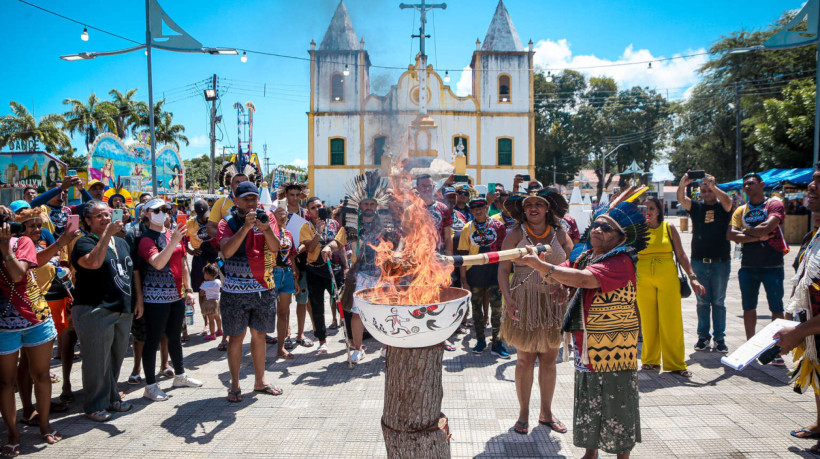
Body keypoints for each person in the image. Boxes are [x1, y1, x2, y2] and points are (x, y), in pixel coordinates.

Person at [521, 190, 650, 459]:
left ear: (621, 238)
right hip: (588, 344)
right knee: (589, 400)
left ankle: (621, 457)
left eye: (608, 228)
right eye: (598, 225)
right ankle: (590, 454)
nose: (599, 230)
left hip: (614, 348)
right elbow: (566, 274)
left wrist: (542, 267)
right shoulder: (588, 255)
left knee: (617, 403)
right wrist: (548, 271)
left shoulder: (621, 260)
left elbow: (583, 280)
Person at [498, 188, 573, 435]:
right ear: (523, 209)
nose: (533, 208)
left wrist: (565, 286)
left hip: (554, 303)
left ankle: (547, 413)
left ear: (547, 208)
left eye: (538, 204)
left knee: (549, 360)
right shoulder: (515, 234)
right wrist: (508, 299)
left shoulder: (561, 233)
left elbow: (574, 264)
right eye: (528, 204)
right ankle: (523, 414)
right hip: (523, 301)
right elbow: (502, 269)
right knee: (524, 359)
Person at [0, 205, 62, 457]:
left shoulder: (22, 241)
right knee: (5, 382)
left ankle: (45, 425)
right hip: (3, 325)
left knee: (42, 375)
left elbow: (17, 275)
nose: (5, 226)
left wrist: (5, 249)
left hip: (35, 317)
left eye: (7, 221)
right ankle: (13, 434)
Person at [217, 181, 281, 402]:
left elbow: (276, 248)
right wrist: (245, 227)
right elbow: (226, 251)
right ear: (236, 200)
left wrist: (265, 229)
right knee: (236, 338)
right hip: (234, 291)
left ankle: (260, 380)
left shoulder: (267, 218)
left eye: (254, 198)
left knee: (260, 335)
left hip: (264, 287)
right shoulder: (227, 222)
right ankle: (234, 385)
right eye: (246, 199)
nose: (251, 202)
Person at [70, 200, 133, 422]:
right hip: (94, 309)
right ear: (87, 221)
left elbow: (128, 273)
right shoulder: (84, 242)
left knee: (115, 359)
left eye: (107, 214)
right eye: (98, 216)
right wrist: (107, 234)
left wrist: (136, 302)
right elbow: (94, 262)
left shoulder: (121, 242)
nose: (105, 218)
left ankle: (112, 396)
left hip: (121, 308)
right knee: (97, 361)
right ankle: (95, 404)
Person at [138, 199, 202, 401]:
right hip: (155, 297)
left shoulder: (172, 234)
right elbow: (157, 263)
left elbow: (183, 262)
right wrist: (174, 240)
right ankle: (150, 385)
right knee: (153, 340)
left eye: (165, 209)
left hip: (176, 294)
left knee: (175, 335)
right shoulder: (146, 238)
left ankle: (180, 375)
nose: (162, 213)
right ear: (147, 213)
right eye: (156, 210)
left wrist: (189, 289)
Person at [16, 208, 76, 421]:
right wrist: (61, 241)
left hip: (43, 307)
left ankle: (41, 403)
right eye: (31, 226)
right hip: (22, 311)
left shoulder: (39, 243)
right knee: (26, 363)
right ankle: (26, 409)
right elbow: (37, 261)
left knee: (41, 365)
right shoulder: (16, 247)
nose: (37, 229)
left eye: (39, 225)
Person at [775, 167, 820, 450]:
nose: (812, 187)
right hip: (813, 328)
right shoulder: (812, 236)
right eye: (813, 180)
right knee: (816, 368)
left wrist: (799, 330)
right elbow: (801, 279)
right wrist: (790, 320)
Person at [637, 197, 704, 377]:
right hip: (643, 280)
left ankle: (675, 363)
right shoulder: (638, 230)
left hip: (668, 278)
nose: (647, 211)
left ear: (658, 210)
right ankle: (650, 360)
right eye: (644, 208)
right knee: (648, 321)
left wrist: (692, 277)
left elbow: (681, 254)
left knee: (671, 321)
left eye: (651, 208)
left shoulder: (669, 228)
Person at [727, 173, 788, 365]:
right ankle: (750, 347)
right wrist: (755, 236)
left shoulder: (774, 204)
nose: (747, 187)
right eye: (745, 184)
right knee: (748, 308)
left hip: (773, 265)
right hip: (748, 266)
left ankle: (776, 351)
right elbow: (730, 234)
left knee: (776, 309)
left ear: (762, 184)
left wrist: (744, 232)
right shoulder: (740, 210)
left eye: (751, 183)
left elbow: (767, 228)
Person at [339, 171, 396, 363]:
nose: (369, 207)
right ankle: (357, 348)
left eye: (372, 204)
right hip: (361, 275)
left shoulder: (387, 226)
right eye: (366, 204)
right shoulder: (352, 226)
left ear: (377, 206)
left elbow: (398, 244)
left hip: (382, 275)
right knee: (357, 313)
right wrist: (328, 249)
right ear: (360, 205)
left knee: (383, 311)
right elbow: (338, 241)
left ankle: (385, 347)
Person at [677, 171, 733, 353]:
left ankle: (719, 338)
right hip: (699, 261)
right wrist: (683, 183)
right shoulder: (697, 207)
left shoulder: (723, 207)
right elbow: (681, 199)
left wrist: (713, 185)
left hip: (720, 262)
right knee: (702, 302)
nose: (707, 193)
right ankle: (703, 337)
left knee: (718, 302)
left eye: (709, 190)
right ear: (700, 193)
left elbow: (727, 201)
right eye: (704, 191)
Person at [459, 197, 508, 357]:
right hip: (475, 275)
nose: (478, 211)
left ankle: (497, 343)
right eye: (474, 209)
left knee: (497, 310)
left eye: (481, 207)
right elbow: (463, 256)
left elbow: (503, 253)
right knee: (477, 311)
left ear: (487, 207)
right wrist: (464, 280)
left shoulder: (498, 226)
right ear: (471, 211)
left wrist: (504, 277)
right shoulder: (467, 228)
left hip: (494, 274)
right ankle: (480, 340)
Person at [415, 174, 456, 351]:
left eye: (428, 185)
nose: (425, 188)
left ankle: (443, 335)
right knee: (420, 297)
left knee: (440, 297)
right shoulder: (411, 209)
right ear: (417, 188)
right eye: (422, 186)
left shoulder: (443, 209)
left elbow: (448, 235)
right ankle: (422, 333)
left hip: (439, 258)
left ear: (433, 187)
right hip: (418, 261)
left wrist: (448, 259)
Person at [300, 197, 346, 355]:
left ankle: (351, 339)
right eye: (312, 208)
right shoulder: (306, 227)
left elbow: (340, 245)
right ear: (308, 211)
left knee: (342, 302)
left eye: (318, 206)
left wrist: (346, 267)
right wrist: (318, 232)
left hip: (334, 268)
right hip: (315, 269)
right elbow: (310, 248)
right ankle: (322, 341)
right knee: (317, 306)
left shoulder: (334, 224)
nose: (316, 210)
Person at [276, 181, 313, 349]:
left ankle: (301, 334)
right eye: (292, 195)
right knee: (285, 301)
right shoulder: (277, 214)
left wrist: (301, 247)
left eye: (298, 195)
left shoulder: (306, 215)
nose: (295, 198)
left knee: (302, 299)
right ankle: (286, 334)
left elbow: (311, 237)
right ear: (285, 195)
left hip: (302, 260)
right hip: (283, 262)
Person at [187, 200, 219, 333]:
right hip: (199, 257)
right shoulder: (190, 224)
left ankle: (217, 321)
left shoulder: (214, 221)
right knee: (201, 291)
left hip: (213, 257)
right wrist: (190, 251)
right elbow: (183, 240)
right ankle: (206, 322)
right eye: (201, 216)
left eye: (205, 215)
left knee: (215, 290)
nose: (204, 218)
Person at [272, 205, 298, 360]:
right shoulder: (269, 232)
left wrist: (295, 276)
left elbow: (292, 255)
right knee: (268, 311)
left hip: (287, 273)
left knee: (284, 312)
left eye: (285, 215)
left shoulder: (288, 233)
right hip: (272, 273)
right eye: (278, 214)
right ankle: (261, 344)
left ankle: (280, 347)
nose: (282, 217)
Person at [206, 173, 248, 240]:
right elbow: (210, 228)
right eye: (237, 182)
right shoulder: (221, 203)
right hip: (227, 247)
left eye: (244, 182)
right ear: (231, 185)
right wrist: (230, 236)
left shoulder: (256, 204)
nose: (241, 184)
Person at [198, 264, 224, 345]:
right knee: (217, 317)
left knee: (211, 319)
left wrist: (202, 294)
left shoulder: (205, 284)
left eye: (205, 274)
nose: (204, 275)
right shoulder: (218, 281)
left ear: (209, 275)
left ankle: (212, 334)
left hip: (209, 302)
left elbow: (201, 293)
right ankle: (220, 330)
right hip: (216, 301)